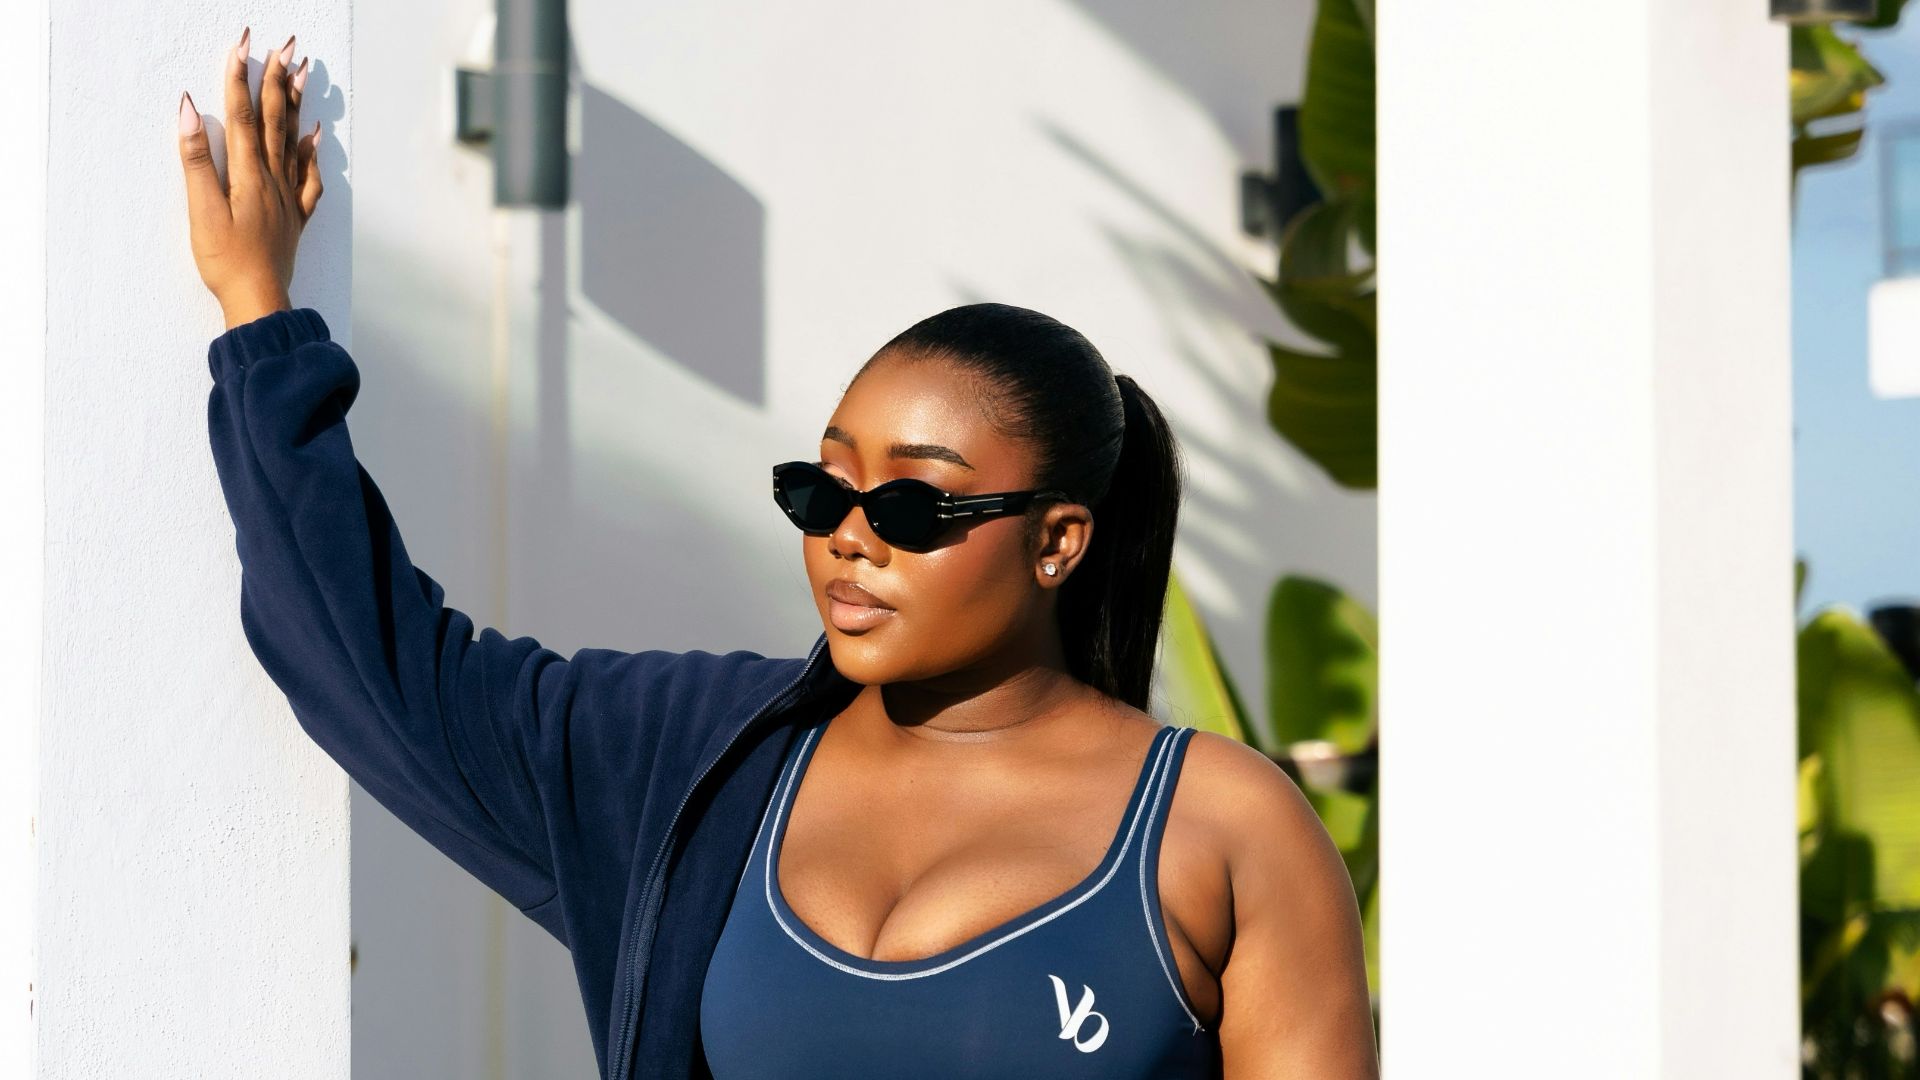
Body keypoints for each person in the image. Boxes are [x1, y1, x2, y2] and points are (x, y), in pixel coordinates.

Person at [176, 25, 1379, 1080]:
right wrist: (261, 321)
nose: (850, 538)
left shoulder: (1222, 831)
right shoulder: (689, 760)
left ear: (1057, 542)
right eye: (820, 490)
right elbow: (377, 669)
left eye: (913, 509)